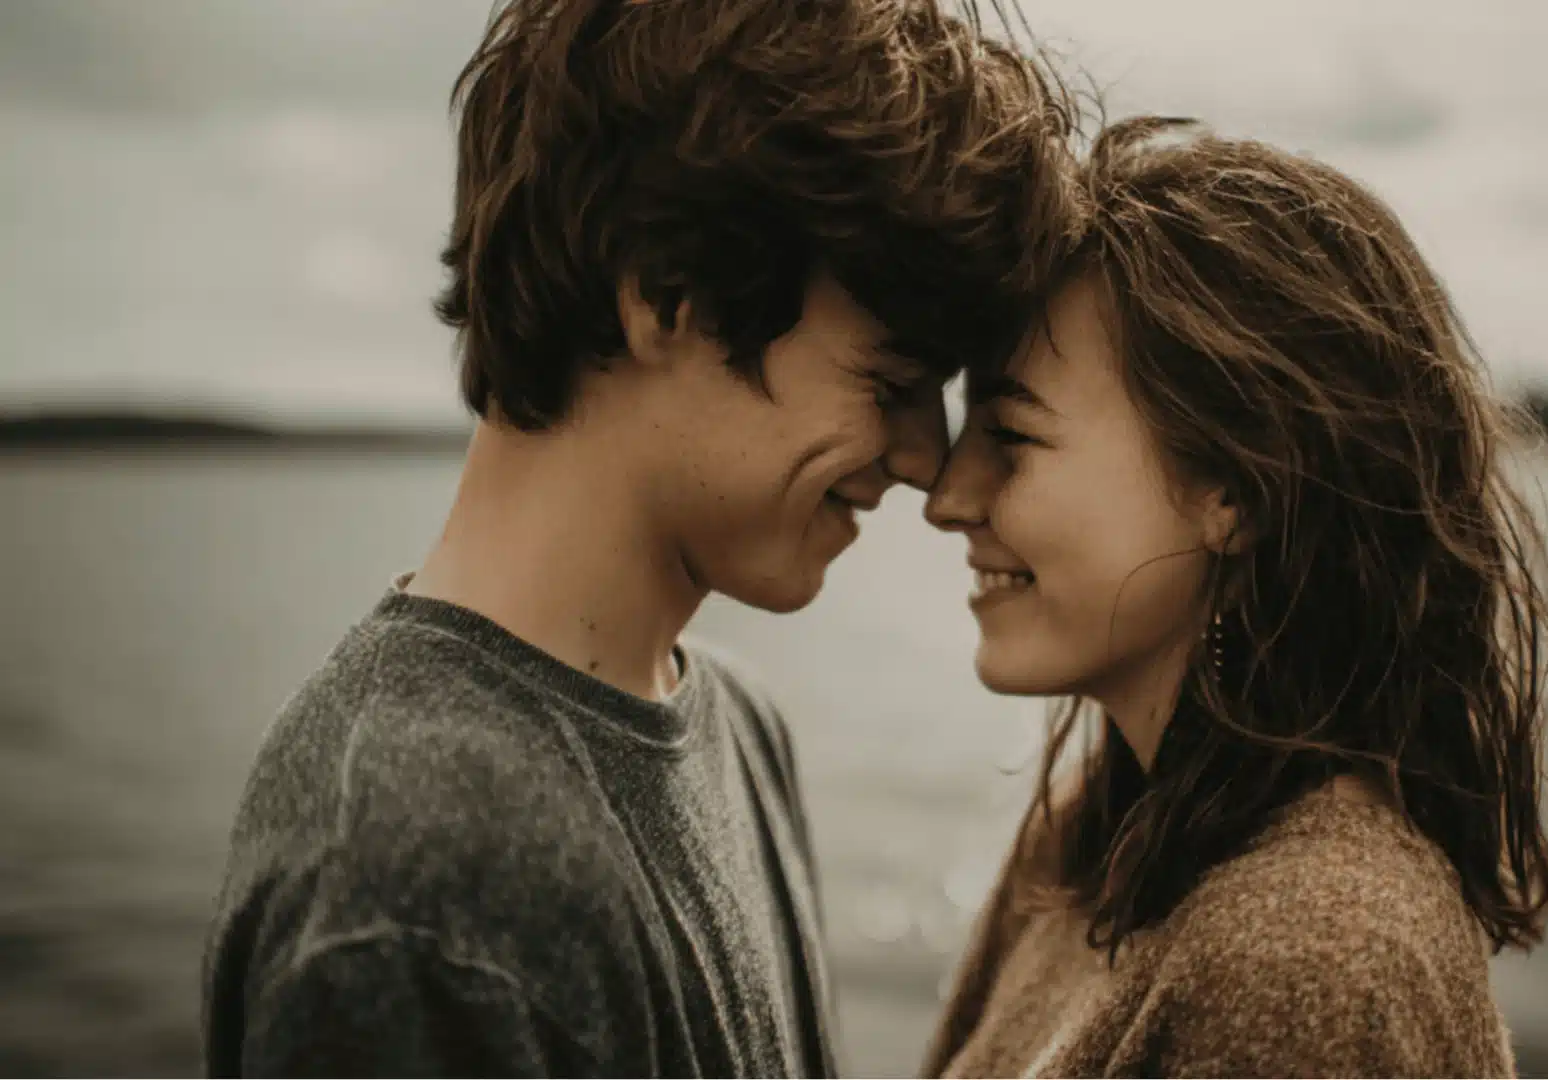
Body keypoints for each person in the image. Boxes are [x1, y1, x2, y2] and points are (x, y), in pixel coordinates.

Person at [200, 1, 1079, 1074]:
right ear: (667, 294)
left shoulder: (740, 728)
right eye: (891, 383)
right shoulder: (413, 890)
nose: (926, 463)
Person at [921, 117, 1548, 1078]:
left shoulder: (1311, 962)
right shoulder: (1083, 841)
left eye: (1011, 437)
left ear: (1236, 491)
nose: (946, 497)